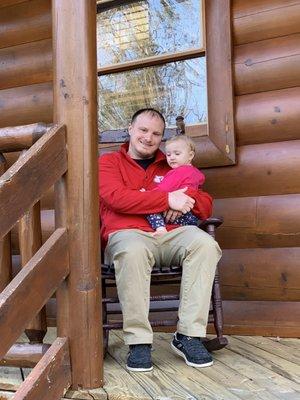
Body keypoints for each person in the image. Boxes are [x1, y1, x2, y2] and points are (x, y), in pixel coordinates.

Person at [98, 108, 222, 372]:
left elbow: (205, 203)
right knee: (132, 251)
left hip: (170, 233)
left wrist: (187, 200)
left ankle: (187, 335)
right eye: (143, 130)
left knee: (205, 244)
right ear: (130, 129)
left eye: (156, 133)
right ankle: (139, 342)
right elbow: (116, 198)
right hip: (128, 234)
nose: (148, 137)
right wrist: (167, 199)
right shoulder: (109, 163)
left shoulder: (173, 163)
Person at [143, 135, 205, 236]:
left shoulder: (179, 172)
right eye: (168, 154)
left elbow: (163, 189)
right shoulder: (195, 172)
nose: (172, 157)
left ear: (190, 155)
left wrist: (147, 194)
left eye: (177, 153)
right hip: (190, 217)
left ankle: (160, 229)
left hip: (180, 214)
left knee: (149, 205)